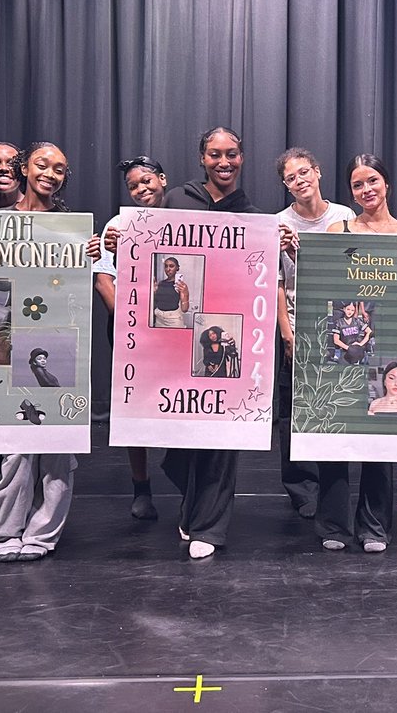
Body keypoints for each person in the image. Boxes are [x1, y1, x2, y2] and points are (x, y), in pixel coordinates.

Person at [0, 141, 99, 563]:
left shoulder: (73, 229)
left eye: (59, 169)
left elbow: (76, 291)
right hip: (7, 345)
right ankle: (4, 534)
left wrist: (94, 254)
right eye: (42, 165)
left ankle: (42, 535)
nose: (50, 173)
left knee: (58, 447)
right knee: (15, 449)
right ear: (24, 169)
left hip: (58, 343)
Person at [162, 128, 261, 560]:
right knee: (183, 439)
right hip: (177, 337)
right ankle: (192, 506)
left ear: (242, 158)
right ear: (202, 158)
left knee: (222, 439)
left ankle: (210, 526)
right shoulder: (175, 203)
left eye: (232, 154)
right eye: (215, 154)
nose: (224, 162)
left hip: (228, 333)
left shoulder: (255, 217)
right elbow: (150, 251)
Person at [317, 154, 397, 553]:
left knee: (381, 440)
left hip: (388, 346)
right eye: (358, 185)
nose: (367, 190)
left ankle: (374, 526)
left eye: (373, 181)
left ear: (387, 184)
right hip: (341, 352)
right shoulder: (335, 229)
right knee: (336, 435)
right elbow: (321, 284)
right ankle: (332, 524)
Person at [274, 148, 353, 518]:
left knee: (334, 406)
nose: (299, 180)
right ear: (286, 186)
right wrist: (287, 334)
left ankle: (333, 487)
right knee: (293, 411)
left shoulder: (344, 216)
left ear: (317, 172)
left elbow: (349, 273)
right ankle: (301, 488)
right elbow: (274, 283)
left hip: (338, 325)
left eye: (304, 172)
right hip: (297, 325)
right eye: (291, 177)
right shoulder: (279, 223)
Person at [95, 155, 173, 521]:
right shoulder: (118, 225)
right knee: (133, 407)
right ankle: (141, 486)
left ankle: (185, 477)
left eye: (146, 181)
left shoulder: (184, 218)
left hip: (174, 328)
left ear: (162, 179)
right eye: (133, 186)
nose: (142, 189)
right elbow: (103, 279)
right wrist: (128, 319)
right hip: (131, 331)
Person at [152, 256, 190, 328]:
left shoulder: (181, 285)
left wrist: (185, 294)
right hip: (159, 319)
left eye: (171, 266)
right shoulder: (160, 283)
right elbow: (156, 302)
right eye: (166, 266)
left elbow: (185, 309)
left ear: (177, 268)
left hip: (174, 320)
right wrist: (154, 291)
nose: (168, 269)